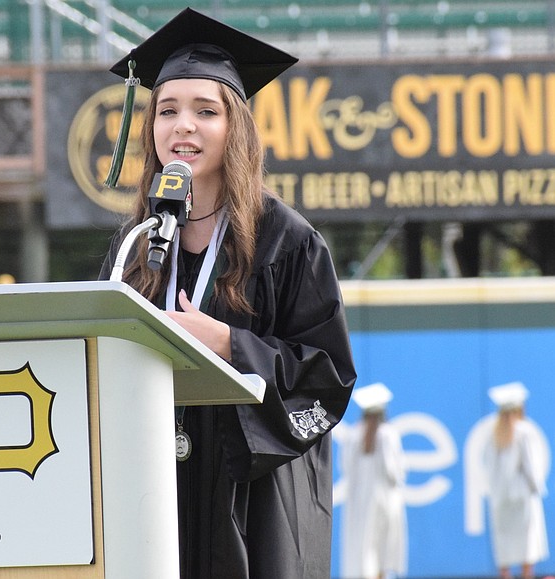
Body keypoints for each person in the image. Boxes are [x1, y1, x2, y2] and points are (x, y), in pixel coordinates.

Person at [98, 8, 357, 578]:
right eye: (167, 111)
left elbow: (329, 378)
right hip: (153, 482)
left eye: (205, 111)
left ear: (234, 126)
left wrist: (231, 346)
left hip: (252, 495)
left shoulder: (286, 241)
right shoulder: (136, 243)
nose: (182, 126)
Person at [340, 382, 407, 579]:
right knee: (385, 542)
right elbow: (393, 471)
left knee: (363, 542)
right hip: (385, 497)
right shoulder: (388, 434)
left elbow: (345, 467)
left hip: (360, 500)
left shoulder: (353, 434)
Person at [483, 382, 549, 579]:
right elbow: (531, 466)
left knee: (504, 540)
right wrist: (536, 487)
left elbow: (488, 467)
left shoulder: (493, 434)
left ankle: (505, 576)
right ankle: (526, 576)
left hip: (500, 497)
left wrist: (495, 491)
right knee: (526, 540)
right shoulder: (525, 431)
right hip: (522, 496)